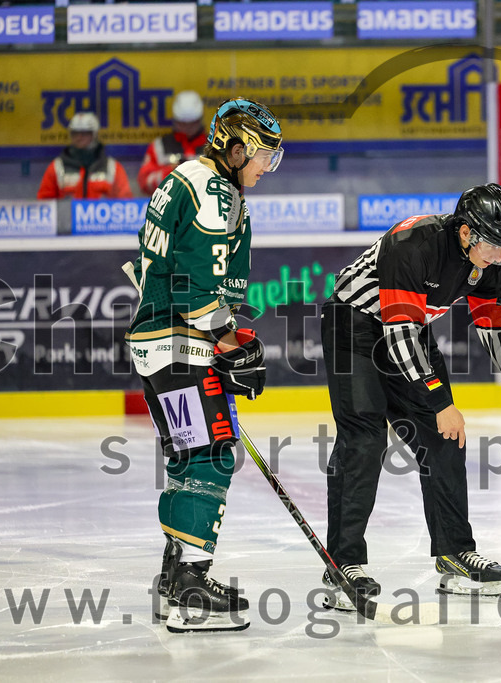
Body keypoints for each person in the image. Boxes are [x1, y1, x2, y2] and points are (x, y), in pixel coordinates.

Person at [321, 183, 501, 609]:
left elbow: (499, 330)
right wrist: (441, 402)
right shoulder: (411, 245)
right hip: (354, 327)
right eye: (495, 246)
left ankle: (454, 552)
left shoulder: (488, 263)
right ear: (466, 233)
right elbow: (399, 335)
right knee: (364, 440)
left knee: (446, 439)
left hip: (409, 330)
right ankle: (343, 564)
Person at [124, 97, 283, 632]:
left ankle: (174, 579)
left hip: (161, 346)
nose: (267, 166)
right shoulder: (212, 191)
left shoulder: (191, 179)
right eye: (263, 155)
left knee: (187, 460)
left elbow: (192, 278)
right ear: (235, 149)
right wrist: (229, 342)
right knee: (212, 455)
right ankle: (192, 585)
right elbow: (195, 292)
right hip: (182, 346)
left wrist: (232, 337)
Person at [37, 112, 132, 200]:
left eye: (85, 133)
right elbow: (45, 203)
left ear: (94, 135)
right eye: (75, 133)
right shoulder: (57, 167)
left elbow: (126, 202)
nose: (79, 137)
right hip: (66, 213)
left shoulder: (112, 167)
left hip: (103, 213)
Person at [138, 90, 207, 195]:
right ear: (175, 121)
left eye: (193, 123)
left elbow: (229, 183)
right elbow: (145, 183)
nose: (188, 128)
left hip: (205, 202)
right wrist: (172, 171)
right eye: (182, 123)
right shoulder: (159, 146)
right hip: (169, 202)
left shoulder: (215, 146)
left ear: (200, 120)